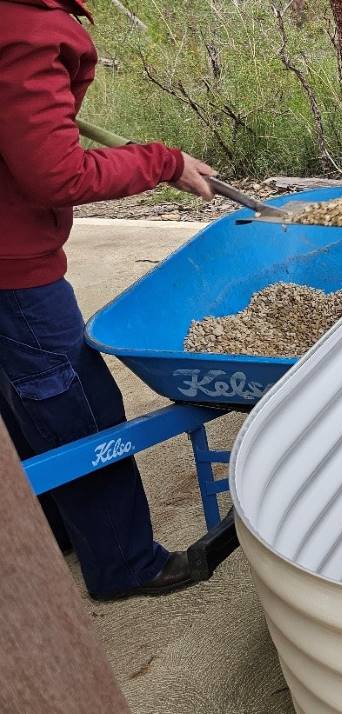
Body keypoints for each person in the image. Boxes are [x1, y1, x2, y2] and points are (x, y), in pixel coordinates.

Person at [0, 0, 216, 600]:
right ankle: (125, 563)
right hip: (13, 262)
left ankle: (58, 530)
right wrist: (160, 161)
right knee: (76, 408)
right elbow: (55, 174)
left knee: (23, 399)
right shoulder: (27, 29)